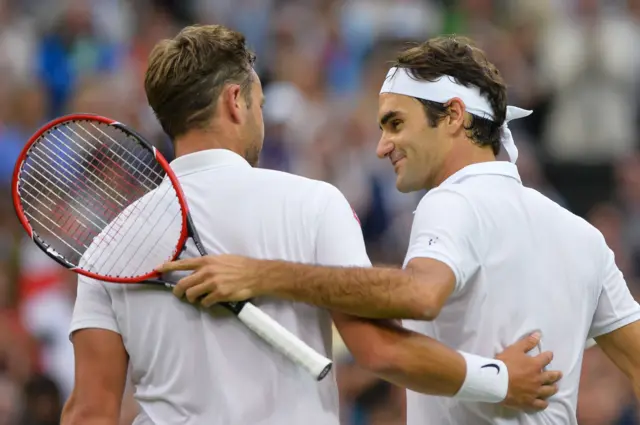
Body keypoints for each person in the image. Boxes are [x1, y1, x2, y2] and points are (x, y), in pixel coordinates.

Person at [62, 26, 559, 425]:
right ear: (236, 101)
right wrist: (497, 378)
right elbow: (378, 349)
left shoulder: (108, 243)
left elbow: (91, 411)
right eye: (258, 102)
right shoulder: (315, 203)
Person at [158, 35, 640, 424]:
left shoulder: (452, 201)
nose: (381, 147)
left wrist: (262, 274)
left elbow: (420, 294)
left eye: (395, 123)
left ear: (453, 116)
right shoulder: (583, 236)